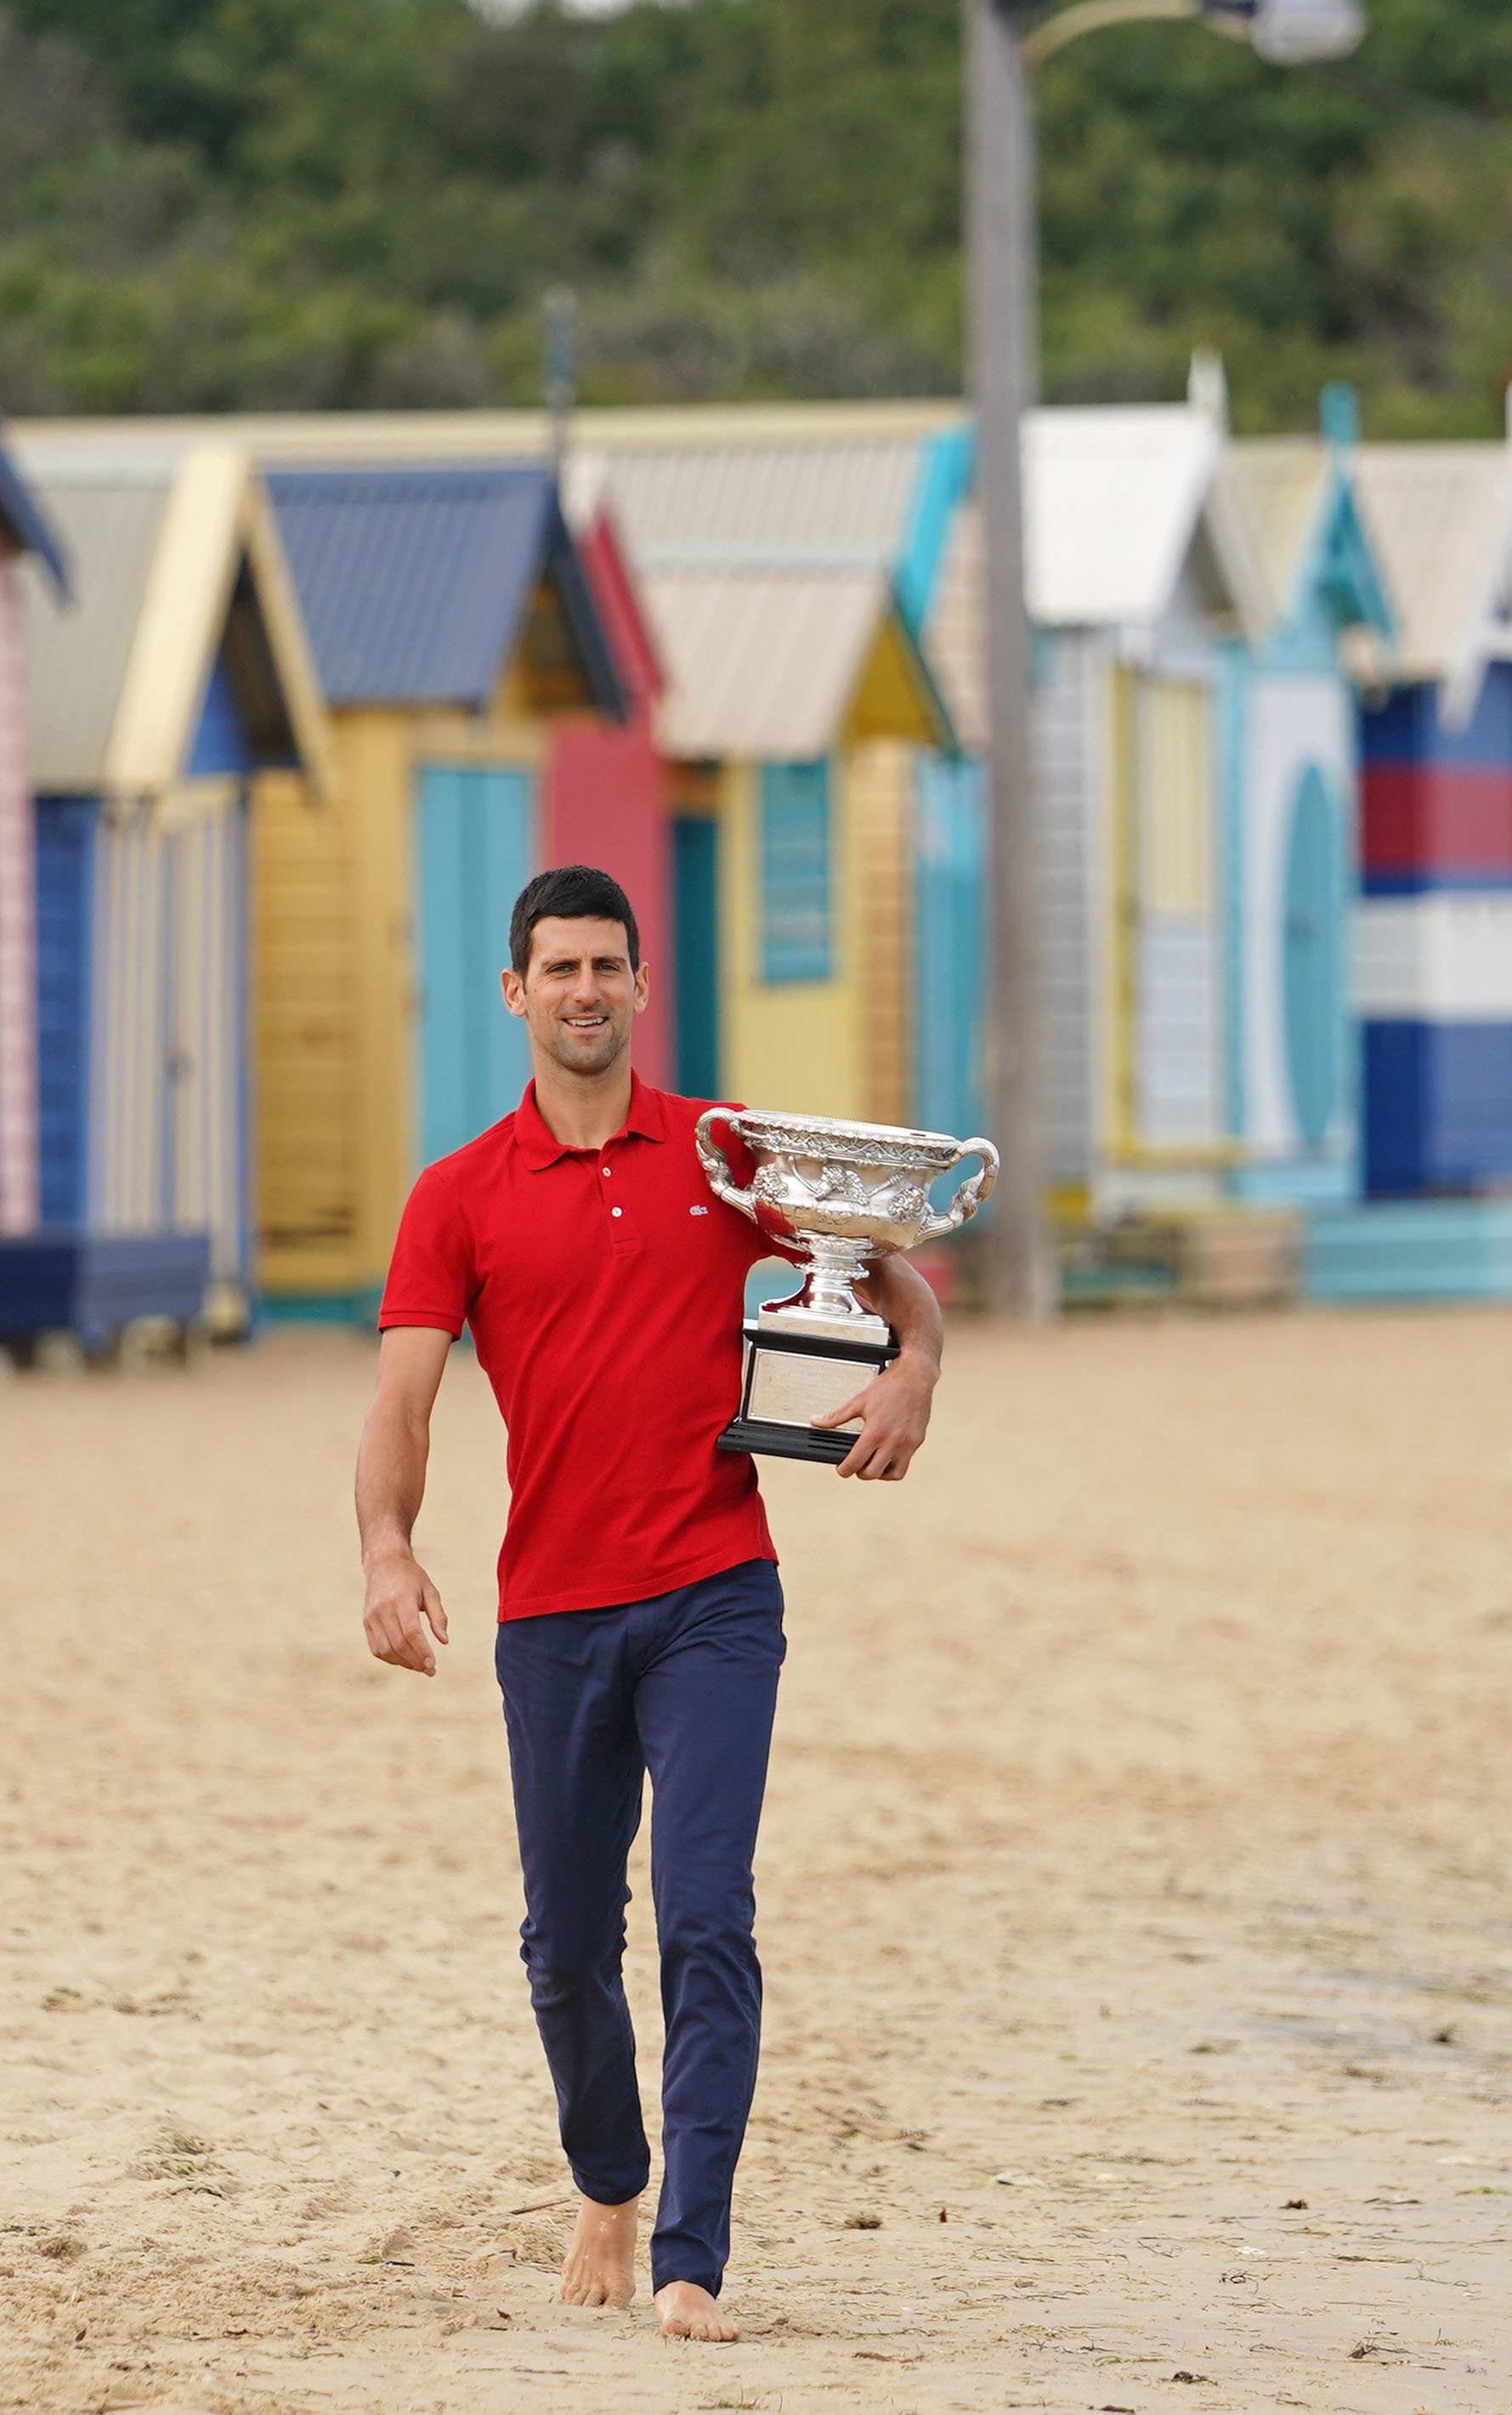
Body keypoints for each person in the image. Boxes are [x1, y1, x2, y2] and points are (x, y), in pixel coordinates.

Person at [356, 864, 943, 2344]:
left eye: (607, 966)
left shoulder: (725, 1155)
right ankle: (610, 2184)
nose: (586, 991)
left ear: (638, 982)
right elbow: (404, 1401)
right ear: (516, 991)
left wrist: (915, 1375)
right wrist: (386, 1548)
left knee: (705, 1915)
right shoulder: (456, 1195)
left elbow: (884, 1276)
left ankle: (693, 2260)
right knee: (565, 1946)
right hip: (552, 1613)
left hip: (714, 1593)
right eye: (559, 968)